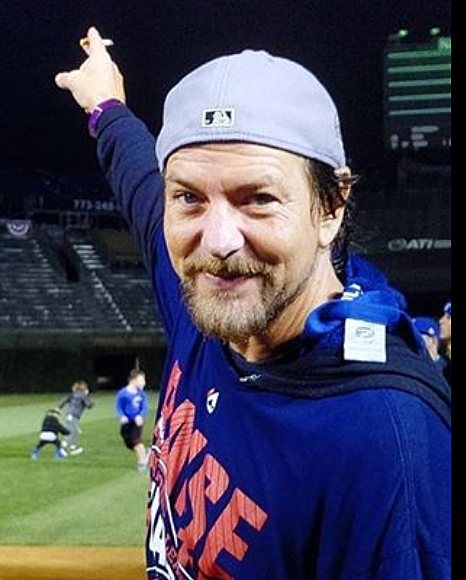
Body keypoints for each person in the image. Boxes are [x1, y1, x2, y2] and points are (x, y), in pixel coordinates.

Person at [55, 28, 450, 579]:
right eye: (189, 197)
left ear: (331, 206)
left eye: (258, 199)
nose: (218, 241)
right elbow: (138, 174)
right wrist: (105, 105)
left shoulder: (383, 437)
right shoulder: (207, 302)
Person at [115, 369, 148, 471]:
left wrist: (140, 416)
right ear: (134, 380)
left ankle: (142, 462)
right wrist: (122, 416)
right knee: (129, 443)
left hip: (137, 422)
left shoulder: (141, 394)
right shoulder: (123, 393)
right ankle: (144, 452)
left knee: (136, 441)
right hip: (126, 422)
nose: (144, 382)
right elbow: (119, 407)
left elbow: (145, 406)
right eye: (142, 380)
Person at [58, 380, 95, 454]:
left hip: (69, 415)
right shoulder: (83, 395)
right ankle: (62, 449)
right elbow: (89, 405)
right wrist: (88, 397)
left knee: (74, 432)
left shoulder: (73, 394)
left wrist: (58, 408)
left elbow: (64, 401)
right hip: (74, 416)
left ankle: (73, 447)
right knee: (71, 433)